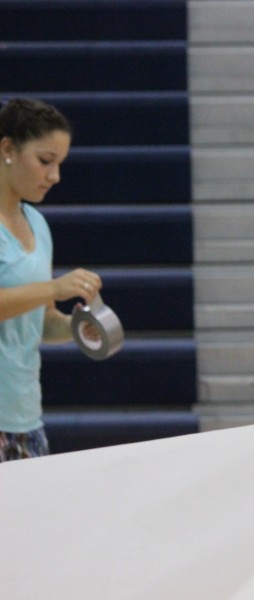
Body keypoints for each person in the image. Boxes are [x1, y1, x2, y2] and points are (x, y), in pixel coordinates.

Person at [0, 98, 102, 461]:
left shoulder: (38, 225)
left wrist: (77, 326)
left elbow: (38, 321)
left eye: (59, 164)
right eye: (45, 161)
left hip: (26, 420)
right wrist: (54, 288)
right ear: (8, 148)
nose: (55, 176)